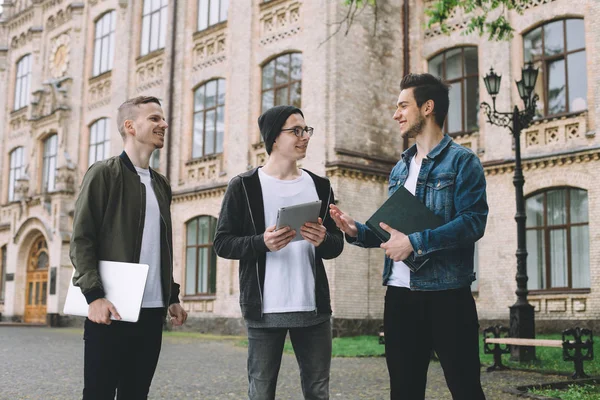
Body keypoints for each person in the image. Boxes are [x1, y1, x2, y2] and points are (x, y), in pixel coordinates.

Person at [330, 73, 488, 400]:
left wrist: (414, 243)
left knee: (466, 389)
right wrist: (356, 230)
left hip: (448, 295)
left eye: (403, 106)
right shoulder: (400, 169)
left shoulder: (463, 162)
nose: (395, 114)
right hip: (399, 297)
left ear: (427, 107)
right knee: (404, 391)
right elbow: (392, 231)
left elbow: (473, 223)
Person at [214, 105, 344, 400]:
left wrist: (323, 239)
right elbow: (222, 243)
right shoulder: (244, 186)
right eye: (295, 131)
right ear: (274, 138)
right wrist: (262, 242)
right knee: (260, 392)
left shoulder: (320, 186)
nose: (304, 137)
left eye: (306, 130)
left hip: (313, 309)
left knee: (318, 391)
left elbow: (336, 246)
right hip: (264, 310)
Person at [70, 95, 188, 400]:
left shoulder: (161, 185)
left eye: (162, 118)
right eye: (154, 118)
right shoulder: (104, 174)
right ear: (130, 126)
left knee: (136, 394)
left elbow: (161, 247)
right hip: (111, 308)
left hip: (151, 312)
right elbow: (82, 239)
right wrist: (94, 296)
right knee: (99, 393)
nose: (163, 124)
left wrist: (171, 295)